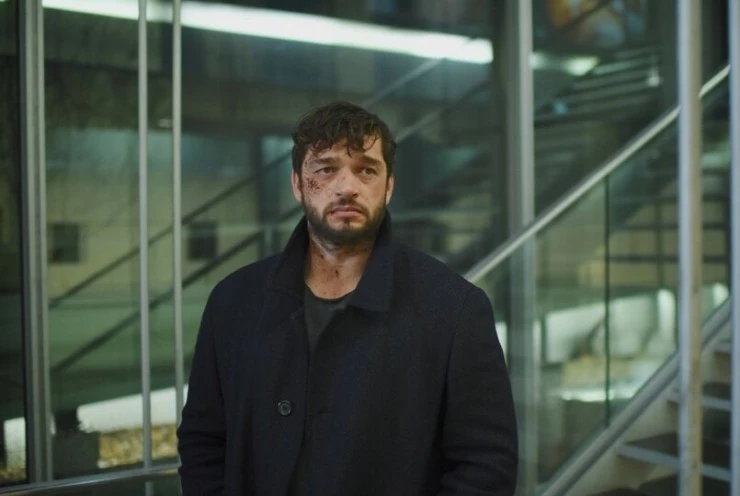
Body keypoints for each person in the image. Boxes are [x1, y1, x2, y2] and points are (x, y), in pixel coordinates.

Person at [177, 101, 518, 495]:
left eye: (366, 170)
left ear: (388, 187)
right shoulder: (233, 302)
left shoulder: (454, 309)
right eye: (325, 169)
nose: (347, 187)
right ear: (297, 184)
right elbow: (203, 441)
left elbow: (487, 465)